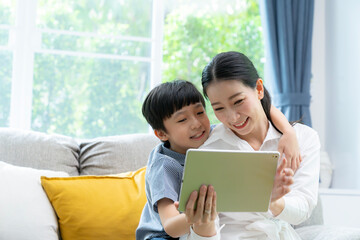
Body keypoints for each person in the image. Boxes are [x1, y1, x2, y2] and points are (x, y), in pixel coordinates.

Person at [136, 80, 299, 240]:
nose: (196, 124)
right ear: (162, 134)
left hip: (197, 229)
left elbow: (263, 107)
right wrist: (200, 213)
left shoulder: (212, 135)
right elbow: (170, 226)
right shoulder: (164, 166)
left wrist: (288, 132)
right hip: (162, 235)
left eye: (200, 113)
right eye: (182, 120)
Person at [196, 51, 320, 239]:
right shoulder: (209, 150)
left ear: (259, 89)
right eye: (219, 108)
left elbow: (303, 208)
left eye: (238, 101)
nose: (232, 118)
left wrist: (271, 201)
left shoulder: (304, 138)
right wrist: (200, 226)